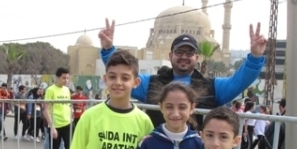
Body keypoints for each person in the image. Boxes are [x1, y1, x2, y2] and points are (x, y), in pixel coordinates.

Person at [98, 18, 267, 127]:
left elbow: (239, 82)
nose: (184, 57)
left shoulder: (212, 87)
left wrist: (255, 57)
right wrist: (108, 49)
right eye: (179, 52)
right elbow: (125, 75)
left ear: (197, 57)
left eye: (189, 52)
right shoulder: (152, 83)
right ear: (170, 55)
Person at [43, 67, 72, 149]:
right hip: (55, 125)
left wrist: (70, 117)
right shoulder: (50, 90)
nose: (66, 80)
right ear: (57, 77)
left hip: (67, 123)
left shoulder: (67, 90)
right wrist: (52, 127)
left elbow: (68, 106)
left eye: (67, 78)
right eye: (64, 78)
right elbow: (46, 110)